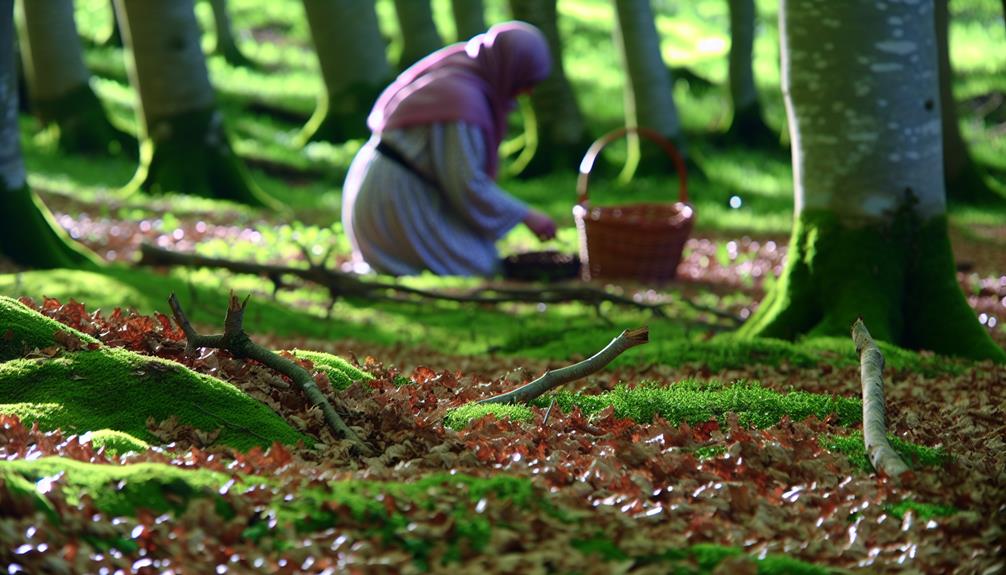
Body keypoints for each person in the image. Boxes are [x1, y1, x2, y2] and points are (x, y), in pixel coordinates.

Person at [342, 21, 558, 277]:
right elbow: (465, 184)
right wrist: (527, 215)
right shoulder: (462, 99)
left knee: (484, 253)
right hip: (393, 197)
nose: (527, 92)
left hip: (386, 184)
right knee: (482, 265)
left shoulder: (465, 69)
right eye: (526, 81)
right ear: (511, 68)